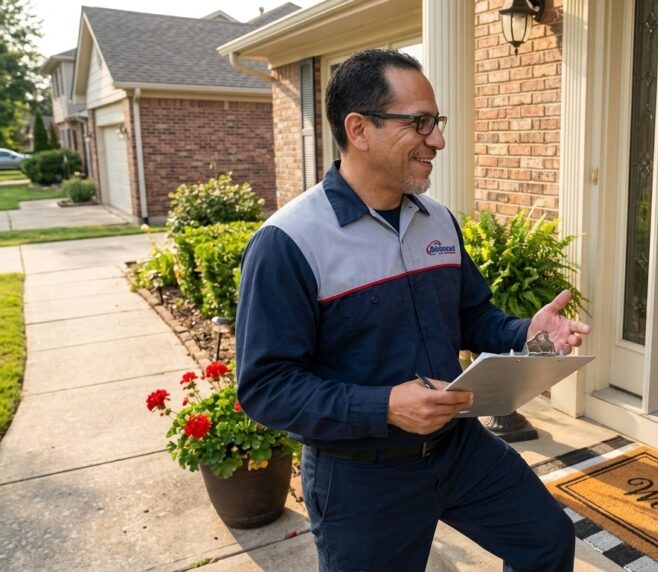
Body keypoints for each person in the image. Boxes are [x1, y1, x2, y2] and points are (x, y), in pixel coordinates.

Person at [235, 49, 589, 571]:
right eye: (420, 123)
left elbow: (473, 317)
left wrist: (525, 333)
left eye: (436, 122)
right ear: (359, 129)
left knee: (548, 541)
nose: (438, 140)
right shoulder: (289, 242)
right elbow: (265, 387)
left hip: (460, 449)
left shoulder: (438, 221)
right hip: (360, 478)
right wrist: (383, 406)